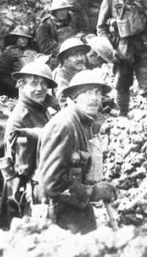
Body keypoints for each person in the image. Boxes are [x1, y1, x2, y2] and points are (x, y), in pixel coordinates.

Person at [37, 69, 117, 234]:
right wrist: (93, 192)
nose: (94, 98)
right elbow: (51, 184)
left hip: (76, 210)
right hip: (60, 219)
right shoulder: (64, 125)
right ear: (74, 97)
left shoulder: (83, 123)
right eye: (87, 92)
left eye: (97, 92)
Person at [0, 61, 58, 227]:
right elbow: (17, 166)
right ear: (21, 85)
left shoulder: (42, 108)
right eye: (34, 83)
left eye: (44, 84)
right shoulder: (21, 118)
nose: (40, 88)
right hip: (24, 187)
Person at [0, 26, 38, 97]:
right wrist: (16, 87)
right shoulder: (8, 53)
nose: (24, 40)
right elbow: (2, 76)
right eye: (22, 38)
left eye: (26, 38)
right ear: (15, 38)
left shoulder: (33, 53)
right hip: (16, 90)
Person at [53, 38, 90, 106]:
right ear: (64, 59)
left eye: (82, 54)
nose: (80, 58)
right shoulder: (61, 76)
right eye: (75, 55)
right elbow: (64, 103)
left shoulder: (81, 69)